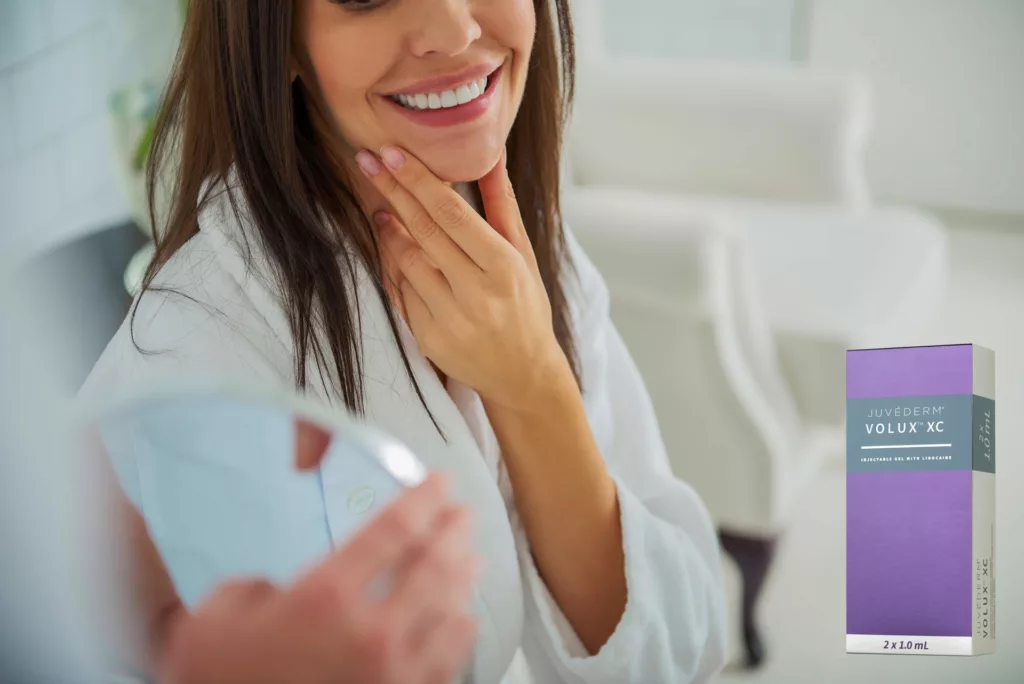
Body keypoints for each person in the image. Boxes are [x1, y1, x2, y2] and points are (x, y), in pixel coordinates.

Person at [80, 0, 729, 681]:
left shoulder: (525, 250)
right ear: (284, 44)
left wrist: (533, 385)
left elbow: (674, 653)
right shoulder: (193, 352)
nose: (456, 29)